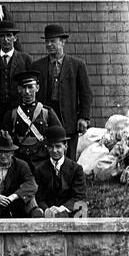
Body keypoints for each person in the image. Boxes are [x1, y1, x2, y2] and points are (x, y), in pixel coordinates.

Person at [39, 23, 92, 158]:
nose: (49, 44)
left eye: (53, 41)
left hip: (69, 119)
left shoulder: (77, 65)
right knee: (48, 153)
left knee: (69, 157)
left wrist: (83, 117)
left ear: (63, 42)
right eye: (47, 41)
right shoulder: (38, 66)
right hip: (47, 118)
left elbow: (85, 93)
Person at [6, 70, 64, 166]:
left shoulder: (46, 112)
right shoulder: (12, 114)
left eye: (30, 87)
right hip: (19, 159)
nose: (27, 92)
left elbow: (59, 137)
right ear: (19, 89)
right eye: (24, 88)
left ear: (37, 87)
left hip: (42, 160)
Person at [33, 124, 87, 218]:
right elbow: (39, 197)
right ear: (46, 147)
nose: (54, 150)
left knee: (82, 208)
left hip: (69, 211)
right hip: (48, 213)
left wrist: (62, 208)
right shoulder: (40, 170)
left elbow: (79, 196)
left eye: (58, 146)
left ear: (65, 146)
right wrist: (47, 210)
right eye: (50, 146)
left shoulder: (76, 169)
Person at [0, 21, 31, 113]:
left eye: (9, 35)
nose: (6, 39)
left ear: (15, 38)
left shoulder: (25, 59)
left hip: (19, 108)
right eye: (2, 36)